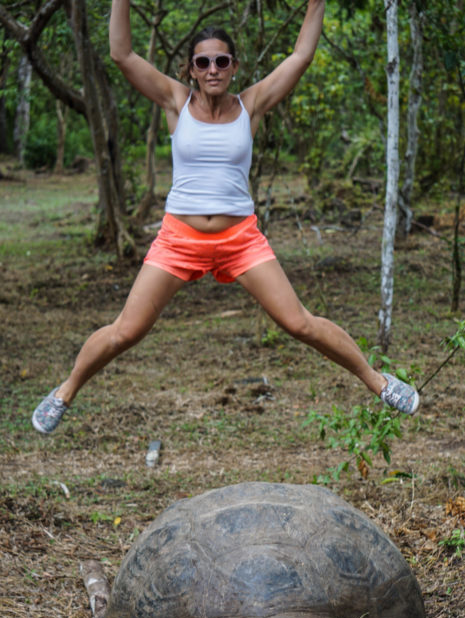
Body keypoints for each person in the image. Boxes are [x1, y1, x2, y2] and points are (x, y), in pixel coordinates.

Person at [32, 0, 419, 435]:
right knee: (126, 331)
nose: (212, 68)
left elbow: (301, 56)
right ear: (191, 69)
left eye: (221, 60)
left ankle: (379, 381)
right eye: (203, 61)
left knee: (299, 323)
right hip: (179, 238)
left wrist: (316, 4)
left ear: (233, 66)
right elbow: (122, 54)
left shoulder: (250, 104)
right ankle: (66, 391)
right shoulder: (174, 101)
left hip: (241, 239)